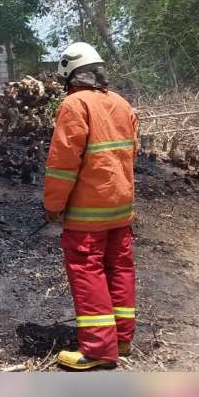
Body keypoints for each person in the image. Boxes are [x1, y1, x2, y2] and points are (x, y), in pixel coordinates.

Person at [43, 42, 138, 371]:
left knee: (88, 271)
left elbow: (62, 164)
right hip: (121, 207)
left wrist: (53, 205)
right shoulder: (122, 104)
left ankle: (98, 350)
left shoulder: (75, 104)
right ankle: (122, 339)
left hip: (88, 213)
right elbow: (128, 154)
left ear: (70, 75)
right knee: (120, 269)